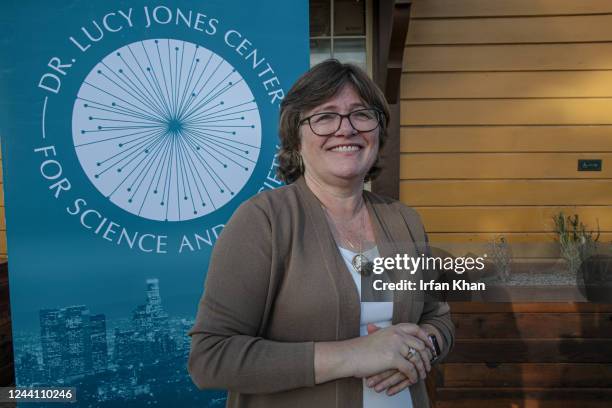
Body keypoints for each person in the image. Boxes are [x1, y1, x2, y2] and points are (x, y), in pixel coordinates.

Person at [188, 59, 454, 408]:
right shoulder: (263, 221)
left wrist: (425, 347)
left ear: (378, 130)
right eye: (325, 116)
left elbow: (437, 317)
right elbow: (211, 358)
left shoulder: (403, 219)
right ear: (295, 137)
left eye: (361, 114)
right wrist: (354, 355)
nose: (346, 129)